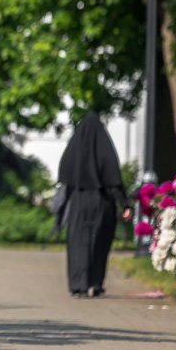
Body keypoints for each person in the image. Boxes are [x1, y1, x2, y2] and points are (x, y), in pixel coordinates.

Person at [55, 113, 131, 298]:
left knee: (78, 242)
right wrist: (125, 204)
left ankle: (79, 284)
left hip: (79, 200)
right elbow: (114, 178)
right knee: (100, 242)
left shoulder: (74, 150)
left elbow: (66, 178)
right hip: (103, 201)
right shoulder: (105, 149)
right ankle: (95, 283)